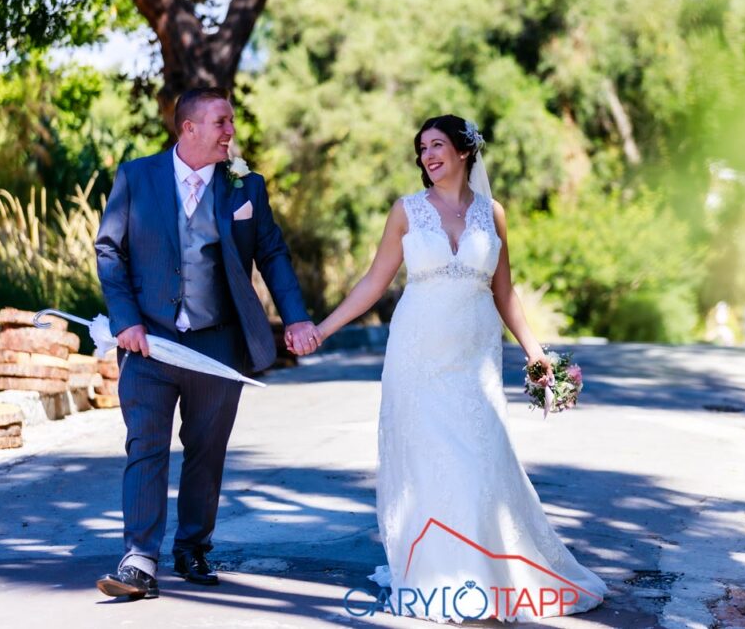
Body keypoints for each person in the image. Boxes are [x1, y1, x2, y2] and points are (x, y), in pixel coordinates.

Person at [315, 115, 607, 621]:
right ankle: (445, 579)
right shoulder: (406, 212)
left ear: (464, 152)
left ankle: (490, 577)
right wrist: (322, 329)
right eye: (422, 148)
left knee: (479, 464)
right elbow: (373, 283)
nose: (428, 156)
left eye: (438, 145)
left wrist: (535, 352)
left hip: (475, 361)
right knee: (432, 465)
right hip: (417, 356)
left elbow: (505, 292)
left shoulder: (492, 214)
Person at [93, 87, 323, 600]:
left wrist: (297, 319)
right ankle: (139, 559)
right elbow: (110, 250)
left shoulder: (246, 186)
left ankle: (192, 546)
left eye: (231, 122)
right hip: (148, 343)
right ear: (189, 128)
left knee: (206, 451)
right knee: (145, 448)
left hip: (219, 345)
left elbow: (273, 254)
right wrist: (125, 319)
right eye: (221, 122)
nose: (230, 132)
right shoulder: (137, 176)